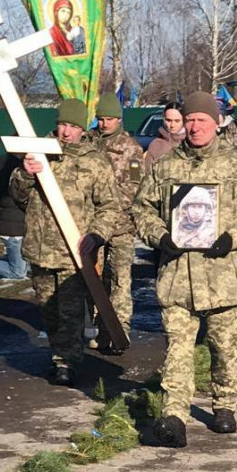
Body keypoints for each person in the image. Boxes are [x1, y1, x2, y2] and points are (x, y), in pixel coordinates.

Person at [132, 91, 237, 448]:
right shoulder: (166, 166)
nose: (195, 127)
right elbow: (141, 210)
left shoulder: (236, 164)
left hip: (224, 277)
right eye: (190, 120)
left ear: (216, 123)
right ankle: (174, 416)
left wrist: (234, 238)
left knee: (224, 348)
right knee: (177, 350)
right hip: (178, 276)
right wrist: (160, 236)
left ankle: (225, 405)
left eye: (202, 121)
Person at [9, 98, 120, 386]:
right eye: (62, 124)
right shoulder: (38, 152)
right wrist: (25, 173)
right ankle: (60, 353)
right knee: (49, 309)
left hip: (74, 250)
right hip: (40, 247)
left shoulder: (94, 161)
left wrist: (96, 236)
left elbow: (109, 206)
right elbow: (18, 196)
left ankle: (65, 363)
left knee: (70, 311)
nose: (66, 131)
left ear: (83, 129)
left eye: (73, 126)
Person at [90, 92, 145, 354]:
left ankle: (118, 330)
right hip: (92, 224)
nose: (104, 124)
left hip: (122, 225)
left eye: (109, 119)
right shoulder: (89, 142)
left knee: (120, 279)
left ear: (119, 119)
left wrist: (109, 205)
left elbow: (135, 185)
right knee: (92, 278)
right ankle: (93, 328)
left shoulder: (131, 148)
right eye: (100, 119)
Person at [145, 102, 185, 173]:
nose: (172, 125)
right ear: (163, 119)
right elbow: (147, 172)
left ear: (184, 120)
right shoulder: (156, 145)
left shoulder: (191, 142)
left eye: (177, 121)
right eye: (169, 120)